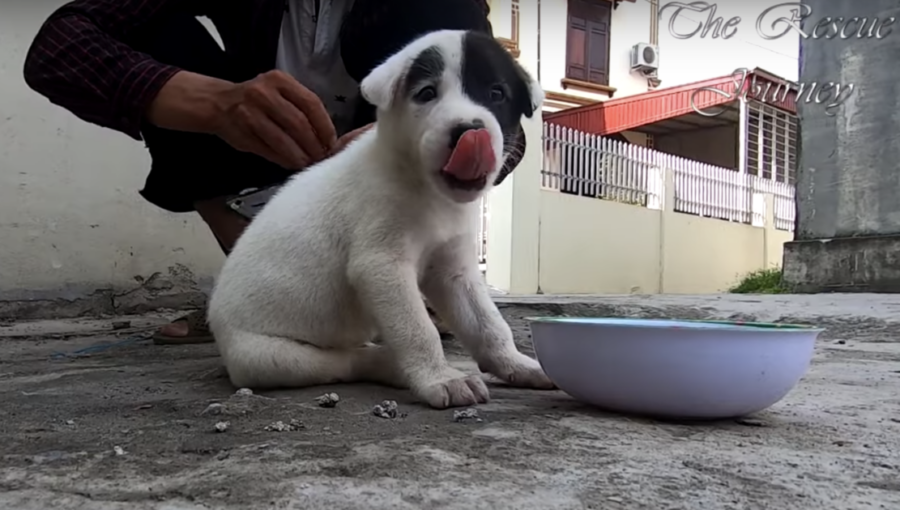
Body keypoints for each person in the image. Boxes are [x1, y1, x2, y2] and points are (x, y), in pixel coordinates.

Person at [23, 0, 526, 344]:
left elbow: (509, 131)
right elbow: (60, 45)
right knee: (158, 36)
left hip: (388, 179)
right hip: (255, 166)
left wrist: (393, 141)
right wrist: (216, 105)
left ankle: (414, 289)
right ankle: (257, 295)